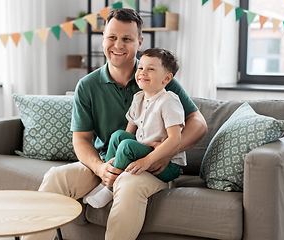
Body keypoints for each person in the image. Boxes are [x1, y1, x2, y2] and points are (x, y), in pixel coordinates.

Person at [22, 8, 207, 240]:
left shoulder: (157, 75)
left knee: (128, 185)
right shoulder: (87, 85)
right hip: (106, 162)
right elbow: (80, 140)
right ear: (103, 39)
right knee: (55, 177)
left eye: (127, 39)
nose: (118, 45)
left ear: (139, 42)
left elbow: (198, 123)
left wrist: (164, 153)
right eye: (112, 37)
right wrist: (101, 169)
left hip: (148, 166)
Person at [82, 48, 187, 209]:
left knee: (126, 145)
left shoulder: (169, 100)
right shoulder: (138, 98)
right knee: (118, 136)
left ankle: (110, 189)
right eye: (140, 68)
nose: (143, 72)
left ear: (166, 79)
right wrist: (121, 154)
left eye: (150, 69)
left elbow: (175, 138)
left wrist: (146, 161)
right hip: (143, 151)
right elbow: (126, 135)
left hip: (166, 165)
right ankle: (106, 179)